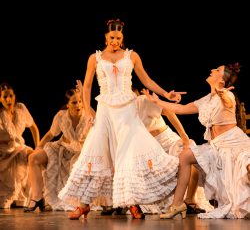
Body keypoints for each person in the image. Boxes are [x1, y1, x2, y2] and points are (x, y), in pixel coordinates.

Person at [58, 18, 186, 220]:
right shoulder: (95, 58)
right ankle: (84, 204)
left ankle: (132, 203)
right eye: (111, 37)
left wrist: (165, 94)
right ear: (105, 37)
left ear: (122, 38)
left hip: (127, 110)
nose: (115, 41)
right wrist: (89, 113)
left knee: (127, 155)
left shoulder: (132, 56)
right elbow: (89, 86)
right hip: (105, 110)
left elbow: (146, 80)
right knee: (95, 150)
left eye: (118, 38)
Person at [143, 63, 250, 219]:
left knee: (246, 167)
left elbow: (228, 102)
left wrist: (222, 93)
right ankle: (177, 204)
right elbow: (181, 108)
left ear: (222, 80)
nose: (212, 70)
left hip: (234, 144)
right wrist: (157, 102)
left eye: (217, 70)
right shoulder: (206, 99)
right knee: (185, 156)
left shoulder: (228, 95)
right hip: (216, 146)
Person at [24, 87, 94, 212]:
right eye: (74, 102)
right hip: (61, 150)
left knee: (78, 165)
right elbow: (51, 134)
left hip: (82, 152)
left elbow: (98, 126)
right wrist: (38, 147)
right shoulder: (61, 116)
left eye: (80, 101)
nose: (78, 105)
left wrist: (84, 94)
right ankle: (37, 198)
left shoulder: (88, 113)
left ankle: (81, 202)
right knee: (33, 158)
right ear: (67, 105)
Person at [0, 82, 40, 209]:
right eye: (5, 97)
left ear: (14, 96)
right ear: (0, 99)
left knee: (33, 156)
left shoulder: (21, 108)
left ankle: (39, 197)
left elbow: (34, 128)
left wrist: (38, 147)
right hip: (3, 152)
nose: (8, 99)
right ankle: (11, 196)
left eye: (10, 96)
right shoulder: (0, 115)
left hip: (19, 148)